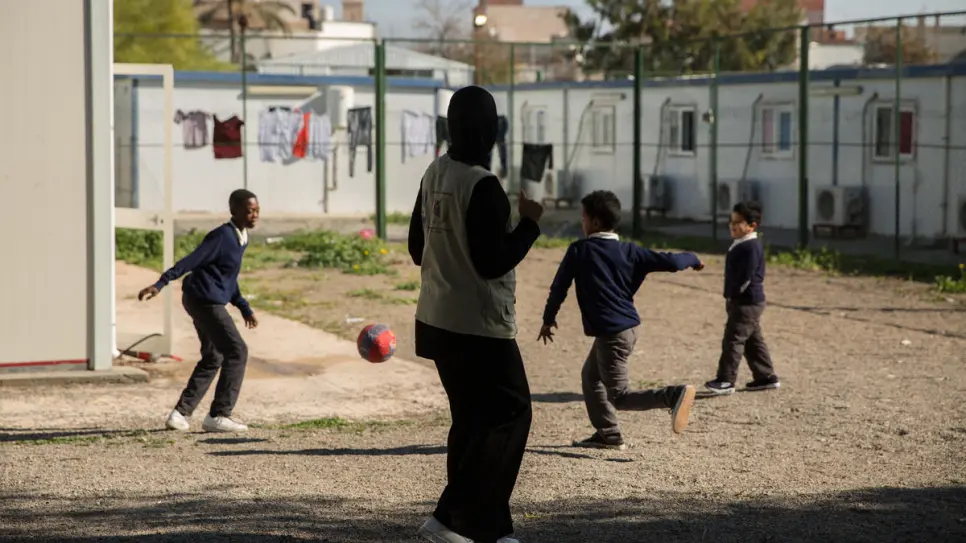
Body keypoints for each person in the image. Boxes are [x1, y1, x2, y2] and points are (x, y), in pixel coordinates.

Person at [408, 85, 543, 543]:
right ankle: (451, 518)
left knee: (471, 420)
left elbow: (414, 248)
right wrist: (529, 223)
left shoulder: (434, 173)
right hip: (478, 325)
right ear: (491, 130)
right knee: (510, 413)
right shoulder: (483, 185)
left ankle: (491, 526)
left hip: (437, 318)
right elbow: (493, 262)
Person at [538, 190, 702, 451]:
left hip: (613, 333)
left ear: (594, 223)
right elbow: (671, 261)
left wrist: (549, 318)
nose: (582, 223)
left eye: (583, 218)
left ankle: (673, 395)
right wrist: (692, 258)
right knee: (590, 377)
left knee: (620, 396)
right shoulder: (630, 251)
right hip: (625, 328)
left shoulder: (580, 250)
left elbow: (559, 286)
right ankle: (608, 434)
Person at [138, 189, 260, 433]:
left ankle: (180, 414)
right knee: (237, 351)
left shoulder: (240, 237)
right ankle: (219, 414)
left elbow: (227, 277)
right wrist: (161, 283)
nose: (255, 215)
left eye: (257, 210)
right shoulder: (222, 236)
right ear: (234, 211)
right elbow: (191, 261)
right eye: (249, 210)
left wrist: (243, 307)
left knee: (214, 356)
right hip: (204, 300)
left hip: (203, 298)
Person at [704, 201, 780, 395]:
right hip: (745, 301)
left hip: (747, 301)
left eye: (738, 222)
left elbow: (746, 276)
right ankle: (766, 376)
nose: (733, 225)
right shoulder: (742, 243)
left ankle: (726, 380)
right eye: (731, 221)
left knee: (733, 339)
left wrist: (733, 295)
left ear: (752, 226)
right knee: (753, 340)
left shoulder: (750, 246)